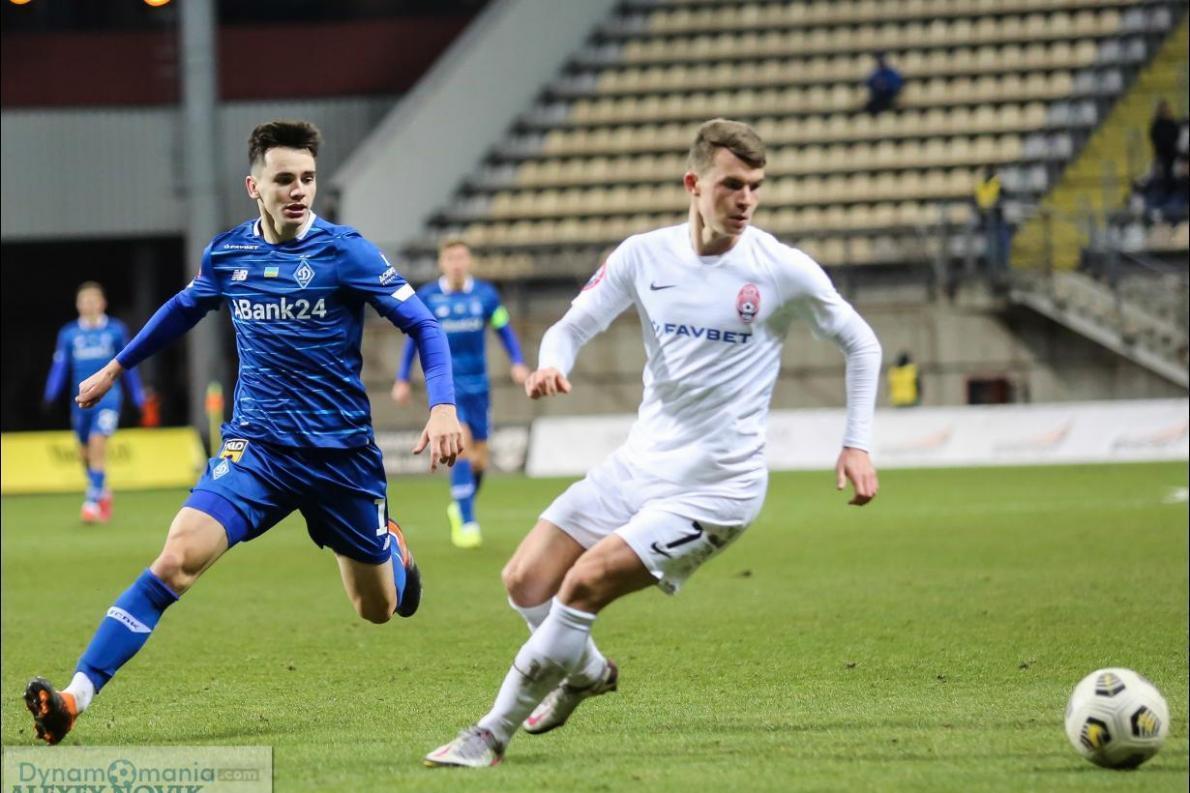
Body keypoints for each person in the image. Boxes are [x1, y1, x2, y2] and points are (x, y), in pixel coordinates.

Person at [424, 118, 882, 768]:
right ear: (694, 183)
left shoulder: (780, 269)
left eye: (755, 186)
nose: (746, 200)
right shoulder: (644, 255)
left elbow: (861, 342)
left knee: (582, 584)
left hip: (717, 489)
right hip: (639, 466)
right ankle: (587, 673)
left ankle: (490, 734)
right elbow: (571, 325)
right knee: (524, 580)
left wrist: (856, 443)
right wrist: (553, 362)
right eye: (731, 185)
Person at [24, 120, 463, 746]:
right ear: (254, 186)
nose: (298, 190)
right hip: (256, 450)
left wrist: (442, 406)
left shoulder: (348, 253)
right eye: (284, 179)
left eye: (307, 178)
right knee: (176, 559)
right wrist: (118, 367)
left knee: (377, 609)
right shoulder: (228, 254)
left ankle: (389, 542)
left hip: (340, 458)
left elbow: (425, 326)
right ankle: (74, 698)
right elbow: (182, 309)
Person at [392, 239, 529, 549]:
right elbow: (414, 338)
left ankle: (460, 505)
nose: (456, 264)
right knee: (462, 446)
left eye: (461, 258)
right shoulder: (429, 297)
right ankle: (467, 523)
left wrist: (518, 362)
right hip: (447, 388)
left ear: (468, 262)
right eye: (451, 258)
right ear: (442, 263)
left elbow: (504, 329)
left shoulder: (486, 296)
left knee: (480, 459)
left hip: (479, 386)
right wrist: (402, 378)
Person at [44, 282, 145, 523]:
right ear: (78, 305)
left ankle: (91, 502)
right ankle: (102, 490)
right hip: (81, 399)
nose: (88, 306)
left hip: (109, 397)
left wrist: (137, 395)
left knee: (97, 441)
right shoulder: (69, 334)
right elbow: (60, 366)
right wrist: (50, 394)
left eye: (93, 301)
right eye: (84, 302)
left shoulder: (115, 330)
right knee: (85, 452)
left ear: (102, 303)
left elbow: (128, 364)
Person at [1149, 100, 1180, 185]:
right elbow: (1153, 137)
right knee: (1162, 176)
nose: (1165, 110)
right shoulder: (1156, 124)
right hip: (1161, 155)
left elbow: (1176, 135)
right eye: (1163, 108)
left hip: (1172, 154)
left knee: (1172, 175)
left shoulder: (1172, 123)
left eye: (1166, 108)